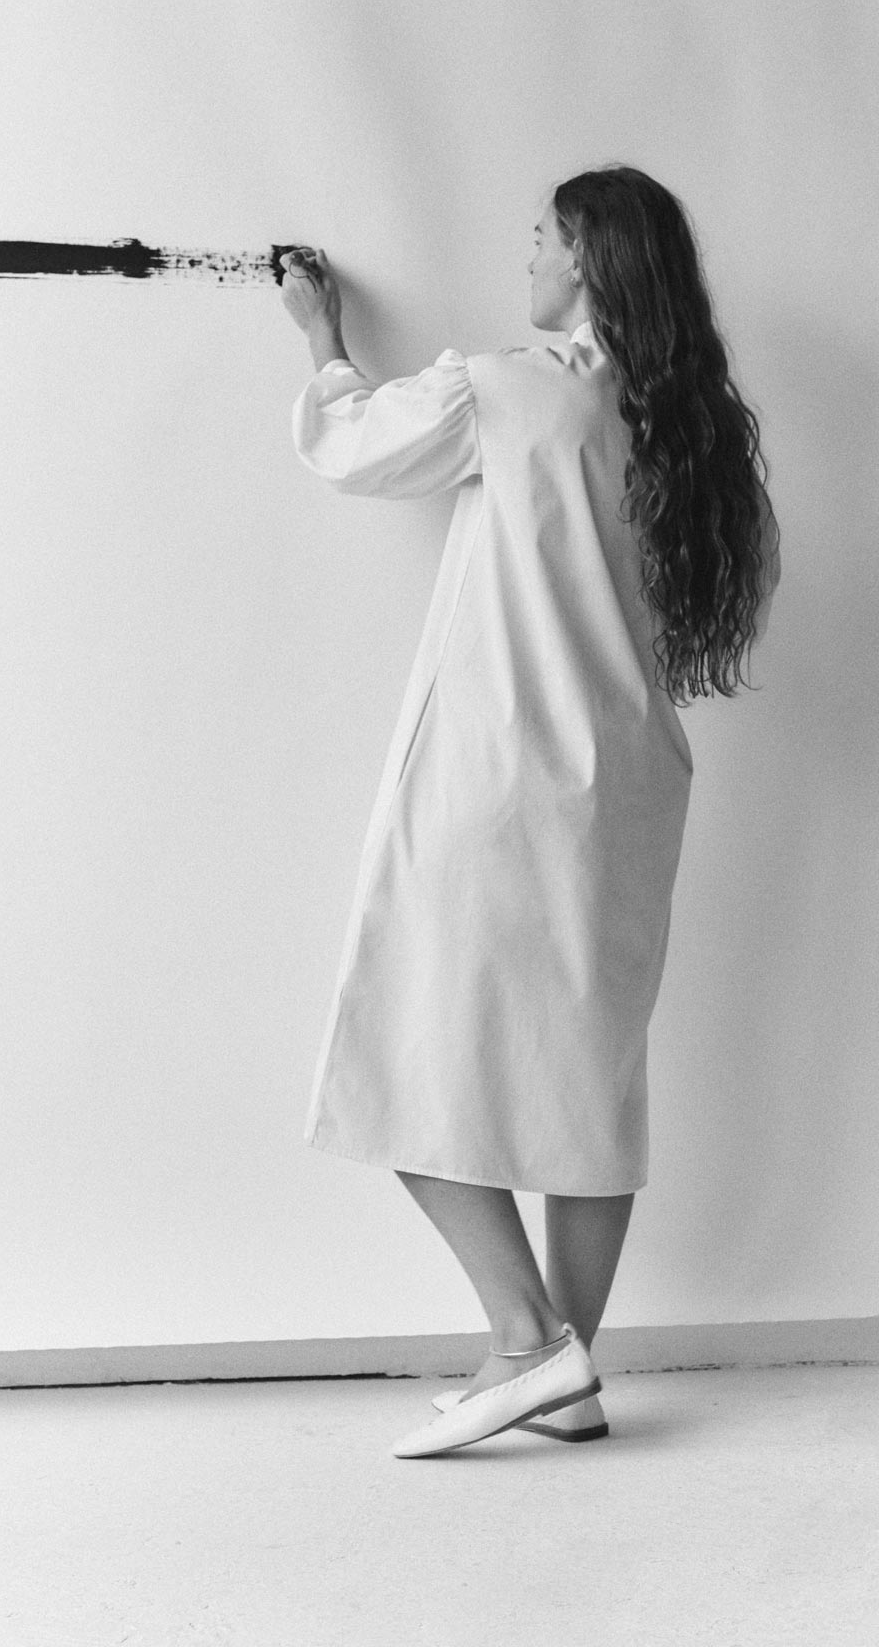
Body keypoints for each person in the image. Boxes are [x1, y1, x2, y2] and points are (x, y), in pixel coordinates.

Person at [282, 164, 780, 1457]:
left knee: (399, 1046)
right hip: (632, 786)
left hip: (502, 775)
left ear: (590, 260)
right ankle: (570, 1375)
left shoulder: (509, 390)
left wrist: (324, 341)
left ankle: (525, 1340)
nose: (529, 254)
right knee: (586, 1088)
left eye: (545, 235)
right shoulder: (690, 430)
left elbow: (355, 446)